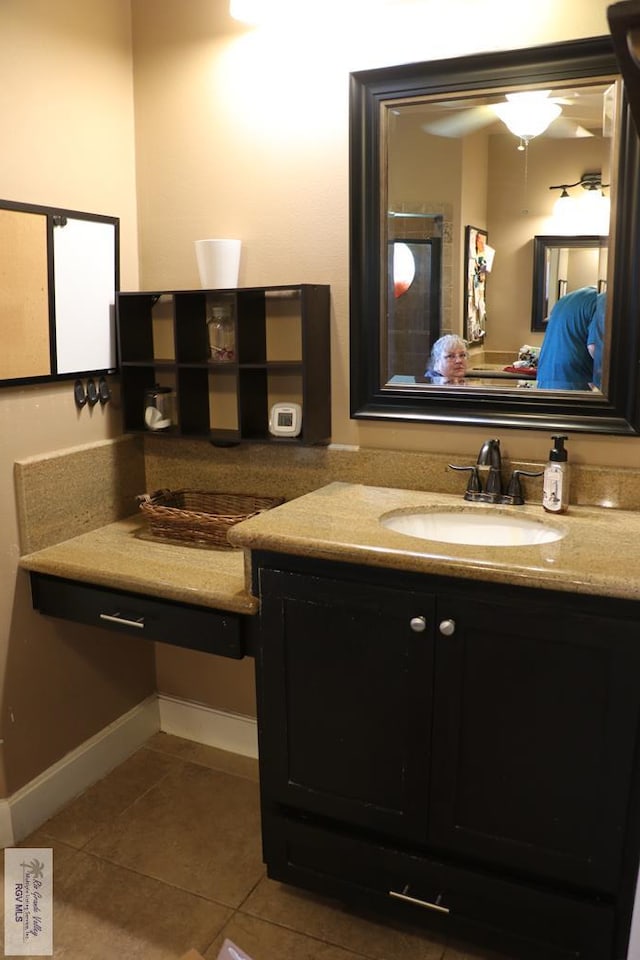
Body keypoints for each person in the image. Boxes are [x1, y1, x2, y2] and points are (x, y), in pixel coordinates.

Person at [536, 286, 602, 391]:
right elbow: (594, 348)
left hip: (546, 378)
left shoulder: (567, 299)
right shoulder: (603, 300)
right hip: (574, 380)